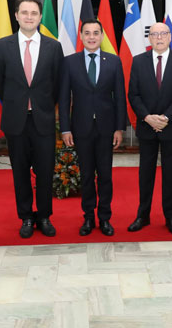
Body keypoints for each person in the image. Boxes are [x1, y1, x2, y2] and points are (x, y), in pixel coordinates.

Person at [0, 0, 64, 238]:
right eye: (25, 12)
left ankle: (43, 216)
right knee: (19, 172)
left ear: (40, 16)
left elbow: (58, 84)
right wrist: (17, 103)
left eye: (34, 13)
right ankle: (25, 217)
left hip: (42, 119)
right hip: (16, 121)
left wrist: (42, 105)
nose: (29, 17)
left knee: (45, 171)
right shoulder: (2, 46)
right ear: (16, 16)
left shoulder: (54, 47)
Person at [58, 19, 127, 236]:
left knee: (105, 175)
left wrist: (120, 128)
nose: (91, 37)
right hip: (81, 128)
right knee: (87, 175)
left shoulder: (114, 62)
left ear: (102, 36)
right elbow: (63, 97)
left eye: (96, 33)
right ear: (81, 36)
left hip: (107, 129)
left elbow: (120, 98)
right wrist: (66, 129)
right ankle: (88, 217)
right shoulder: (70, 62)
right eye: (87, 33)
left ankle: (105, 218)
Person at [127, 22, 172, 234]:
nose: (159, 38)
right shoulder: (138, 62)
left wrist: (165, 117)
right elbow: (133, 94)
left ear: (169, 37)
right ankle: (142, 215)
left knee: (171, 174)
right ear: (149, 38)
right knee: (145, 174)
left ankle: (171, 217)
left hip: (171, 126)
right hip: (147, 127)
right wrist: (147, 117)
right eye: (154, 34)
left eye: (163, 34)